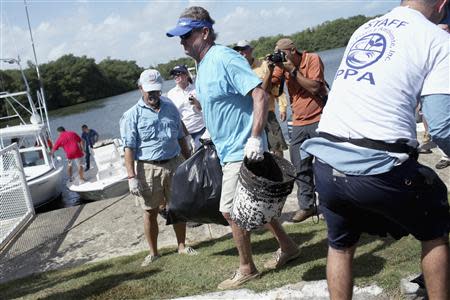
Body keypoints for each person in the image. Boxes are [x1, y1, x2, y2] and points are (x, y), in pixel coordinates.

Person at [300, 1, 450, 299]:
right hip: (379, 164)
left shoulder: (365, 28)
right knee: (434, 226)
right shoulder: (438, 40)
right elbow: (442, 122)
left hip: (326, 159)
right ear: (442, 5)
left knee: (340, 245)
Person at [167, 6, 299, 290]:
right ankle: (288, 246)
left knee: (230, 211)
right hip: (224, 148)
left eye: (187, 36)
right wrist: (207, 127)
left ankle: (246, 267)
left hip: (243, 148)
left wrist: (254, 138)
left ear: (204, 32)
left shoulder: (224, 57)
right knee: (254, 205)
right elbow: (220, 101)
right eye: (180, 37)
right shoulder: (202, 65)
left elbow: (260, 95)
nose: (182, 42)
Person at [120, 69, 196, 267]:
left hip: (174, 162)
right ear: (140, 89)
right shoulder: (131, 115)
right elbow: (128, 147)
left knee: (177, 207)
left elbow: (181, 137)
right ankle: (153, 253)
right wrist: (131, 177)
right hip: (148, 167)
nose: (153, 95)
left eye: (156, 90)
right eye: (149, 91)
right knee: (150, 211)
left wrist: (189, 163)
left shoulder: (170, 106)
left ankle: (181, 245)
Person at [271, 38, 328, 223]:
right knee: (299, 167)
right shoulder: (282, 65)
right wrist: (271, 68)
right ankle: (307, 206)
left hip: (319, 118)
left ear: (292, 50)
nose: (281, 55)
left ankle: (330, 205)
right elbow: (271, 90)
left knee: (325, 166)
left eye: (282, 52)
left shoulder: (312, 59)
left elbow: (314, 87)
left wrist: (292, 71)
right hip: (297, 123)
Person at [233, 40, 288, 158]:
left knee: (276, 146)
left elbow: (277, 88)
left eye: (244, 49)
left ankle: (281, 171)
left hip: (268, 112)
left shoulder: (264, 65)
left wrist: (282, 107)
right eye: (238, 50)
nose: (241, 52)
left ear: (251, 50)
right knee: (256, 150)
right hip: (248, 115)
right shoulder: (237, 69)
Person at [167, 65, 206, 151]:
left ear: (186, 75)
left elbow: (205, 108)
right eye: (174, 75)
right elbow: (172, 115)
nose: (176, 76)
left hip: (201, 128)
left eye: (179, 74)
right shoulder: (171, 94)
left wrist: (196, 103)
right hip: (185, 133)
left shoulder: (197, 88)